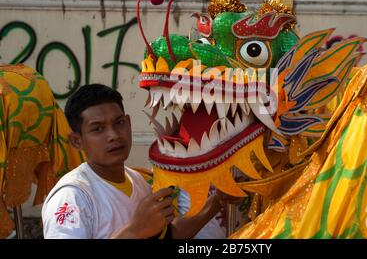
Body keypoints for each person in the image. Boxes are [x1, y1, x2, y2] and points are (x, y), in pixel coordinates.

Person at [41, 84, 236, 239]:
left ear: (128, 122)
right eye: (98, 129)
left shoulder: (137, 181)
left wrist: (217, 201)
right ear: (77, 140)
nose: (113, 135)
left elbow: (168, 235)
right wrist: (134, 231)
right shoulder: (72, 196)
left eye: (119, 123)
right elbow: (140, 231)